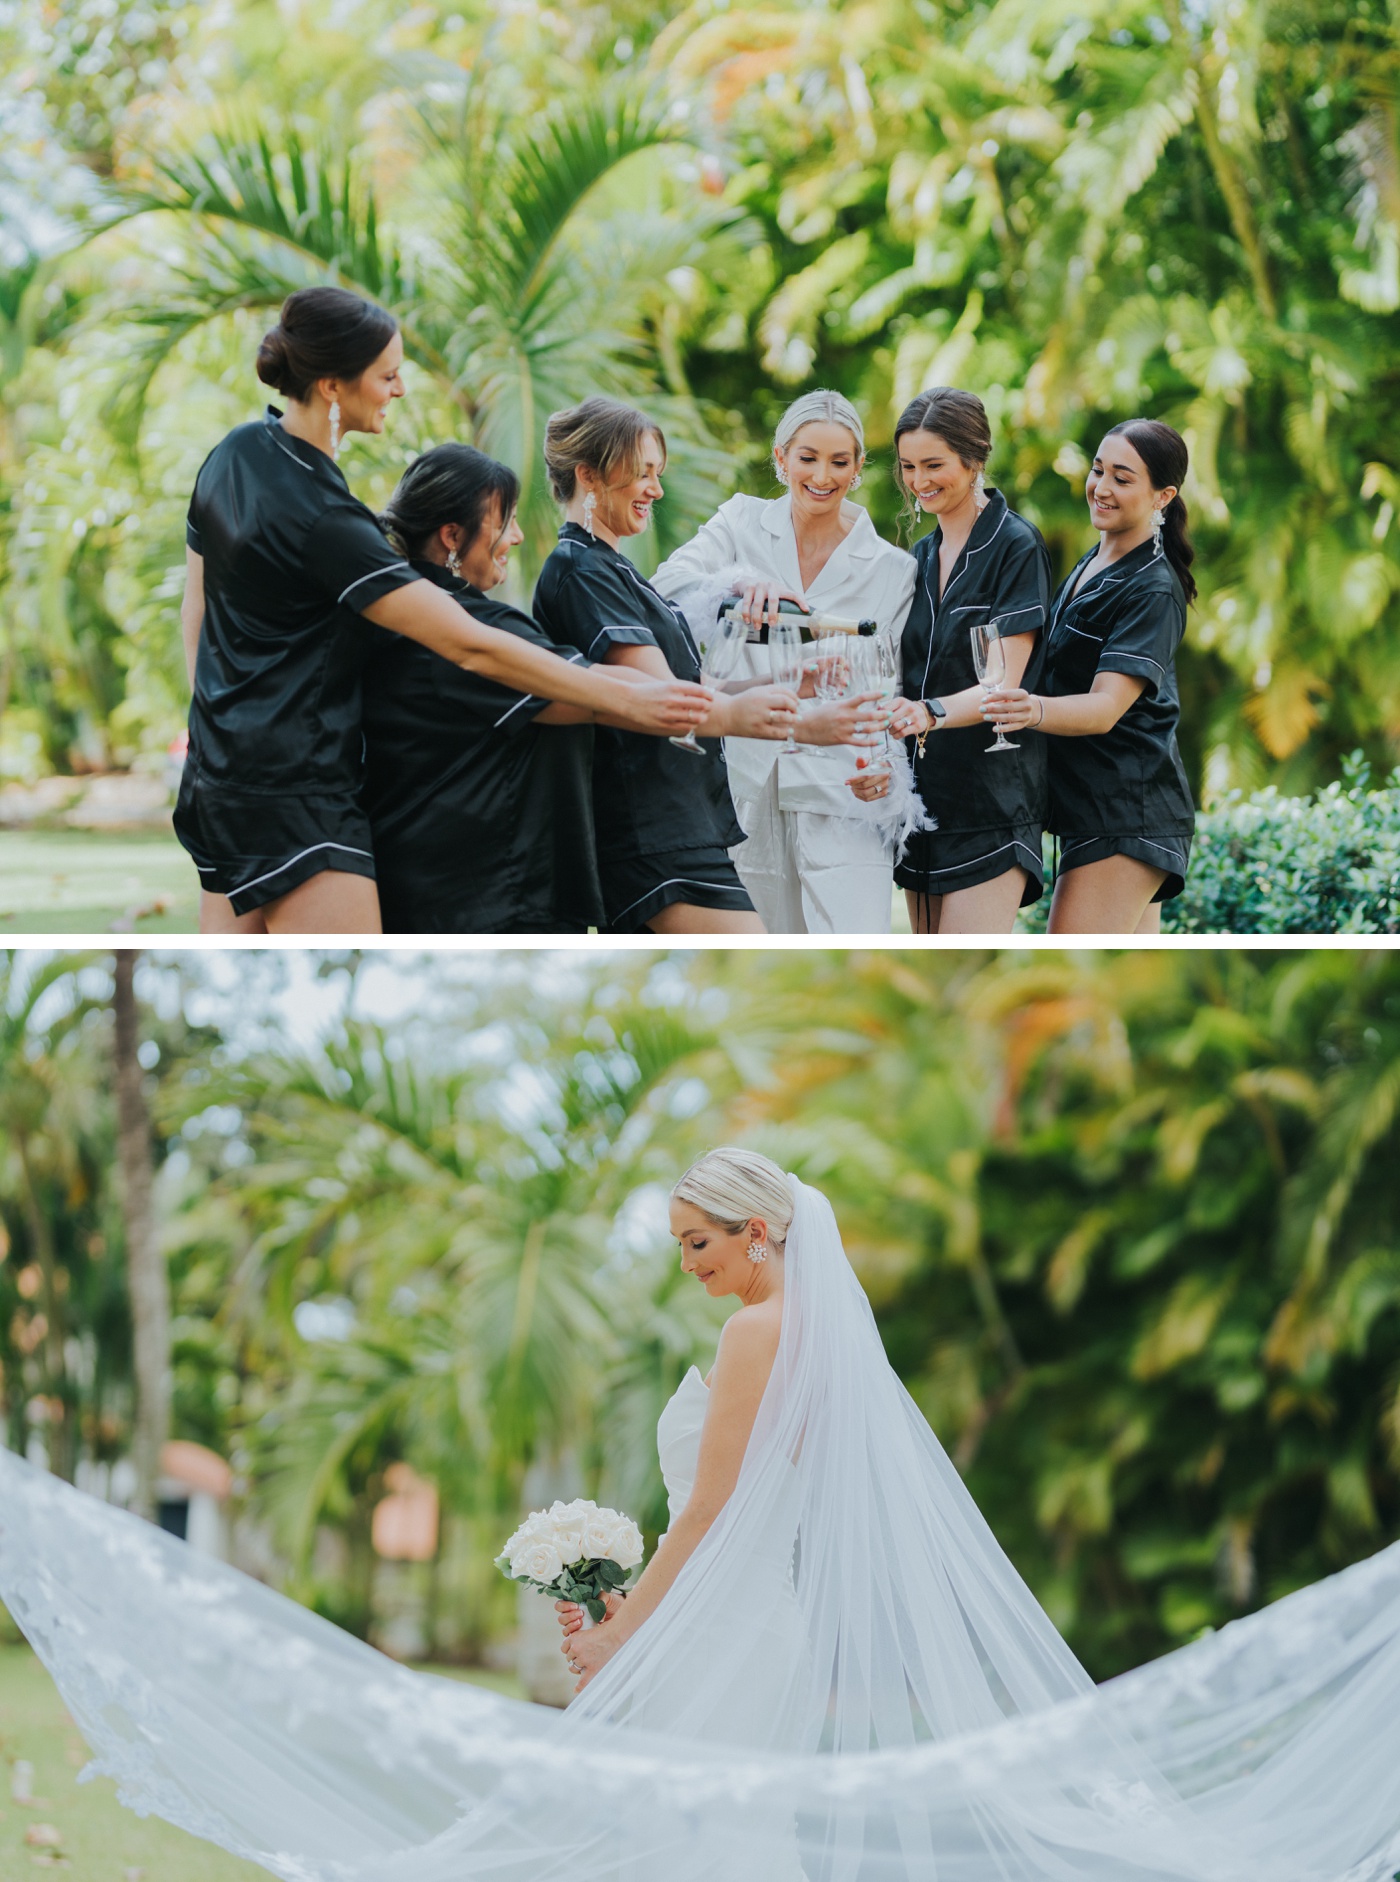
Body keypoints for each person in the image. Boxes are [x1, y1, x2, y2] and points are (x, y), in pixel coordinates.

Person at [6, 1148, 1400, 1882]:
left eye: (699, 1246)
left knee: (694, 1829)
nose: (691, 1273)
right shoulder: (820, 1339)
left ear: (759, 1231)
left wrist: (621, 1629)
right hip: (766, 1620)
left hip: (726, 1617)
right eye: (681, 1251)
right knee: (702, 1829)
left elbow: (715, 1511)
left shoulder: (759, 1336)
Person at [175, 290, 710, 936]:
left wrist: (217, 735)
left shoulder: (230, 457)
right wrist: (624, 700)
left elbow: (198, 607)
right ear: (332, 386)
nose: (399, 389)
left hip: (217, 788)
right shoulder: (327, 518)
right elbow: (470, 643)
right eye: (387, 375)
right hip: (301, 799)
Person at [532, 398, 801, 935]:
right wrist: (755, 716)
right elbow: (660, 699)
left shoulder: (614, 569)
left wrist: (786, 683)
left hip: (679, 824)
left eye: (658, 473)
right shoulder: (580, 569)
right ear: (588, 475)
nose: (655, 489)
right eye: (642, 473)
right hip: (649, 833)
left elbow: (689, 688)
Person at [653, 390, 916, 934]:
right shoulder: (740, 523)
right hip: (745, 783)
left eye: (839, 462)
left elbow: (886, 685)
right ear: (780, 458)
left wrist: (888, 772)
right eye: (808, 458)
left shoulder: (893, 569)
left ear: (859, 467)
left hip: (844, 789)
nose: (823, 475)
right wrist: (739, 581)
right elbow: (666, 589)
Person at [363, 443, 630, 933]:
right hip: (489, 898)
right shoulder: (465, 627)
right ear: (451, 536)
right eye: (505, 522)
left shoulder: (393, 619)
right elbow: (592, 698)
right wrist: (731, 706)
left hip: (431, 890)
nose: (519, 536)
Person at [984, 419, 1197, 933]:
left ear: (1162, 495)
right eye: (1098, 470)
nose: (1101, 487)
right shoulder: (1095, 559)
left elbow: (1104, 709)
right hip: (1094, 812)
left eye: (1122, 479)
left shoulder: (1153, 587)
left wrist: (1028, 709)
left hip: (1127, 812)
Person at [860, 389, 1051, 934]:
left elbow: (1002, 682)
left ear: (974, 459)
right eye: (908, 466)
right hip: (921, 804)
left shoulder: (1016, 546)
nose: (919, 481)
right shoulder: (917, 557)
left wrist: (928, 712)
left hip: (992, 804)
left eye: (934, 465)